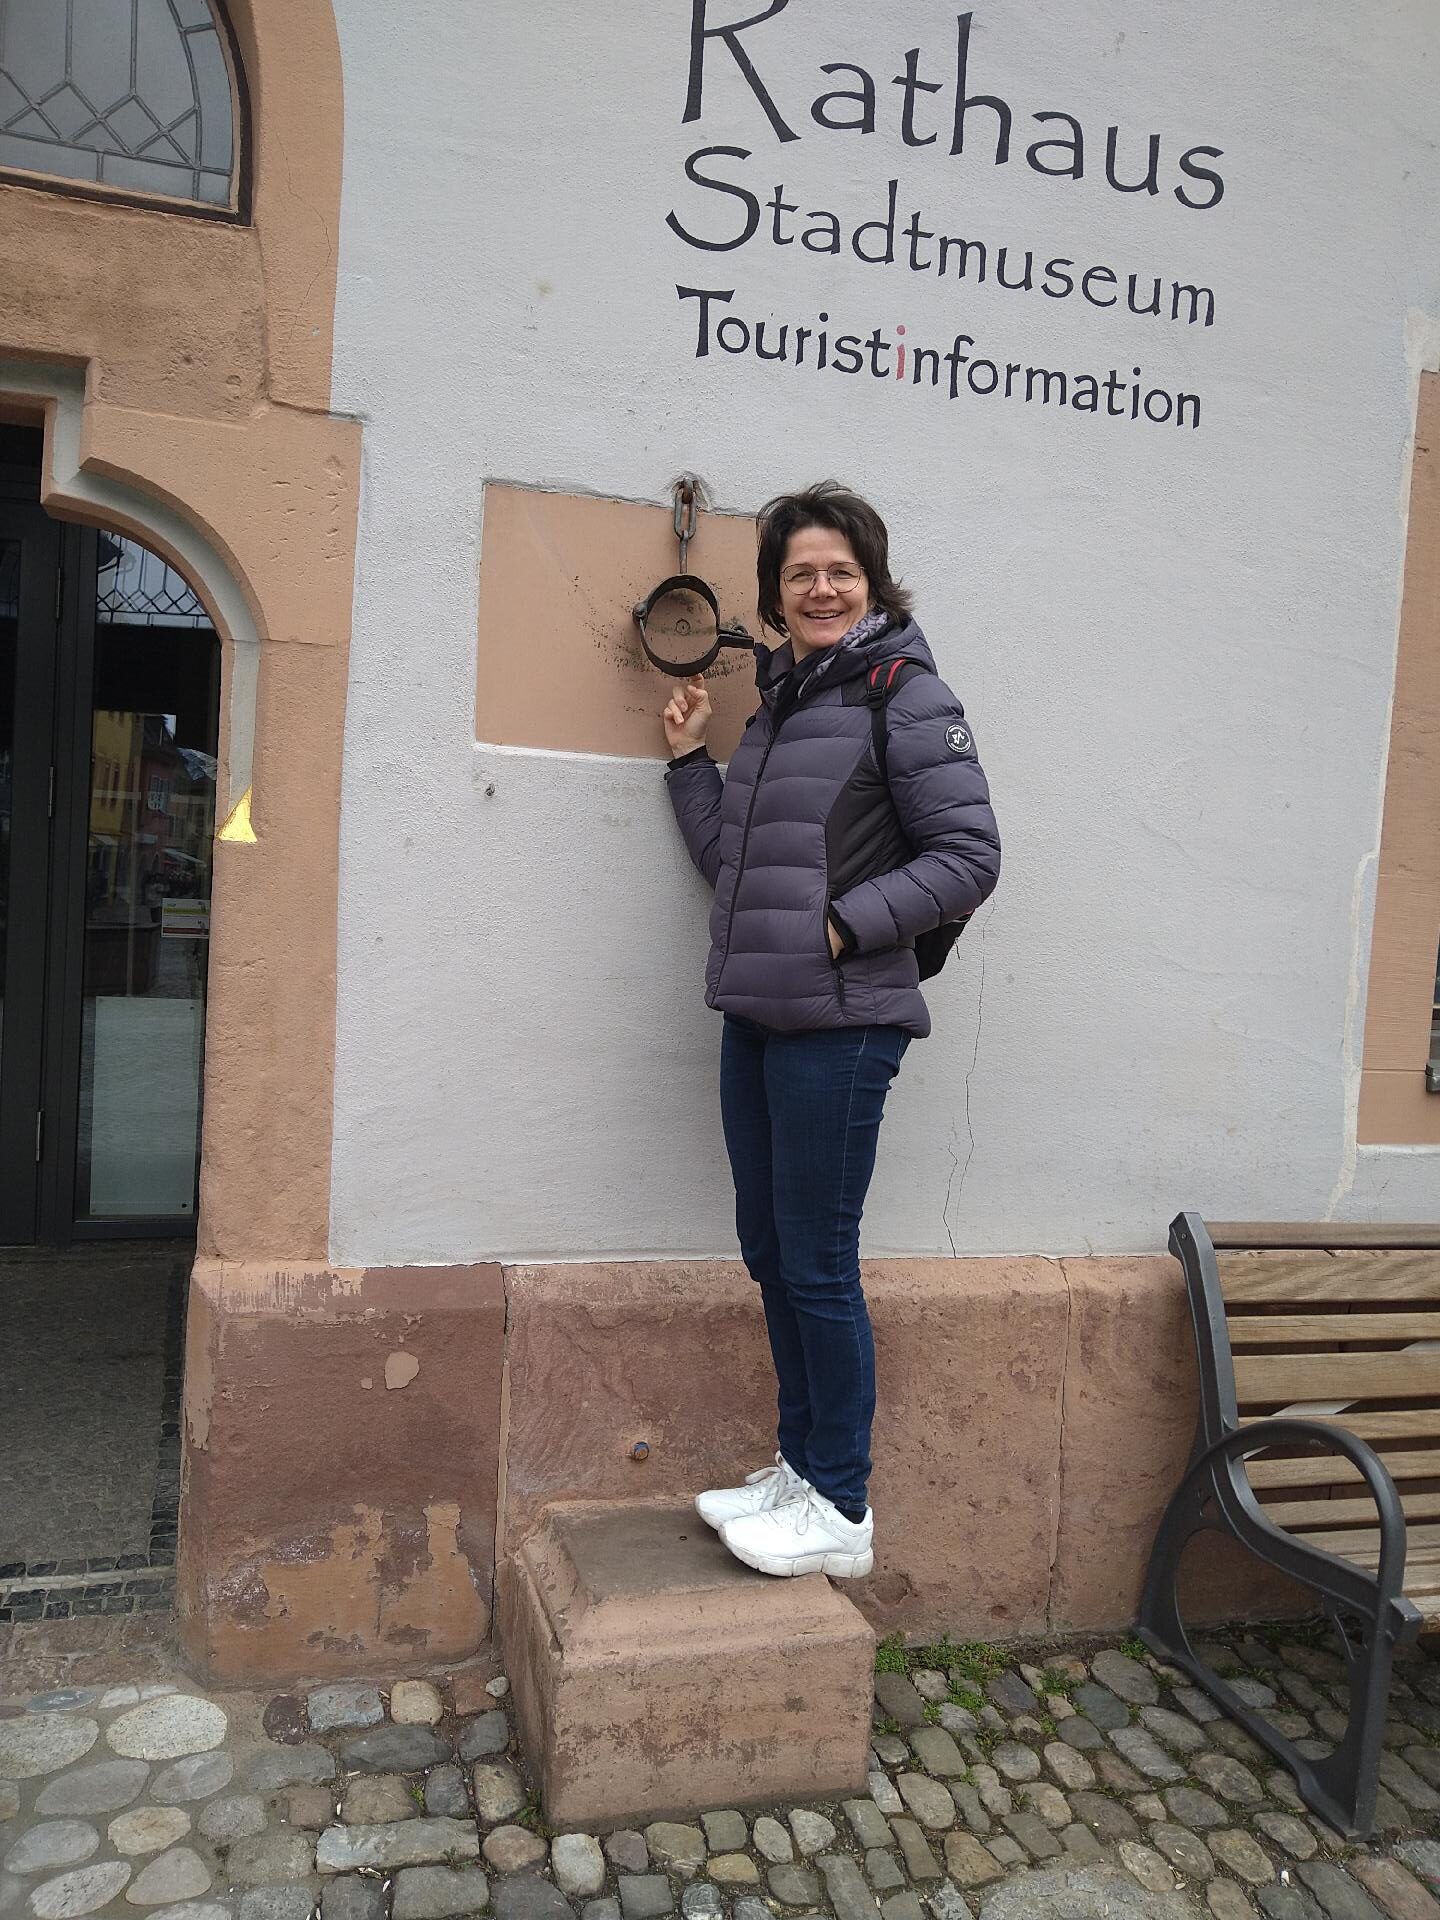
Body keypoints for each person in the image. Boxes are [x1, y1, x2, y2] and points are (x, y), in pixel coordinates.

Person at [662, 481, 1001, 1579]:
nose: (820, 589)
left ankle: (841, 1507)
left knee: (816, 1262)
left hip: (843, 1027)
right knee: (772, 1252)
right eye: (799, 573)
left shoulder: (906, 694)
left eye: (839, 572)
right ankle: (800, 1470)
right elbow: (736, 869)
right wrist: (690, 765)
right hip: (760, 1019)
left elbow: (970, 857)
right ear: (775, 595)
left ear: (872, 584)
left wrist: (844, 928)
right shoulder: (782, 709)